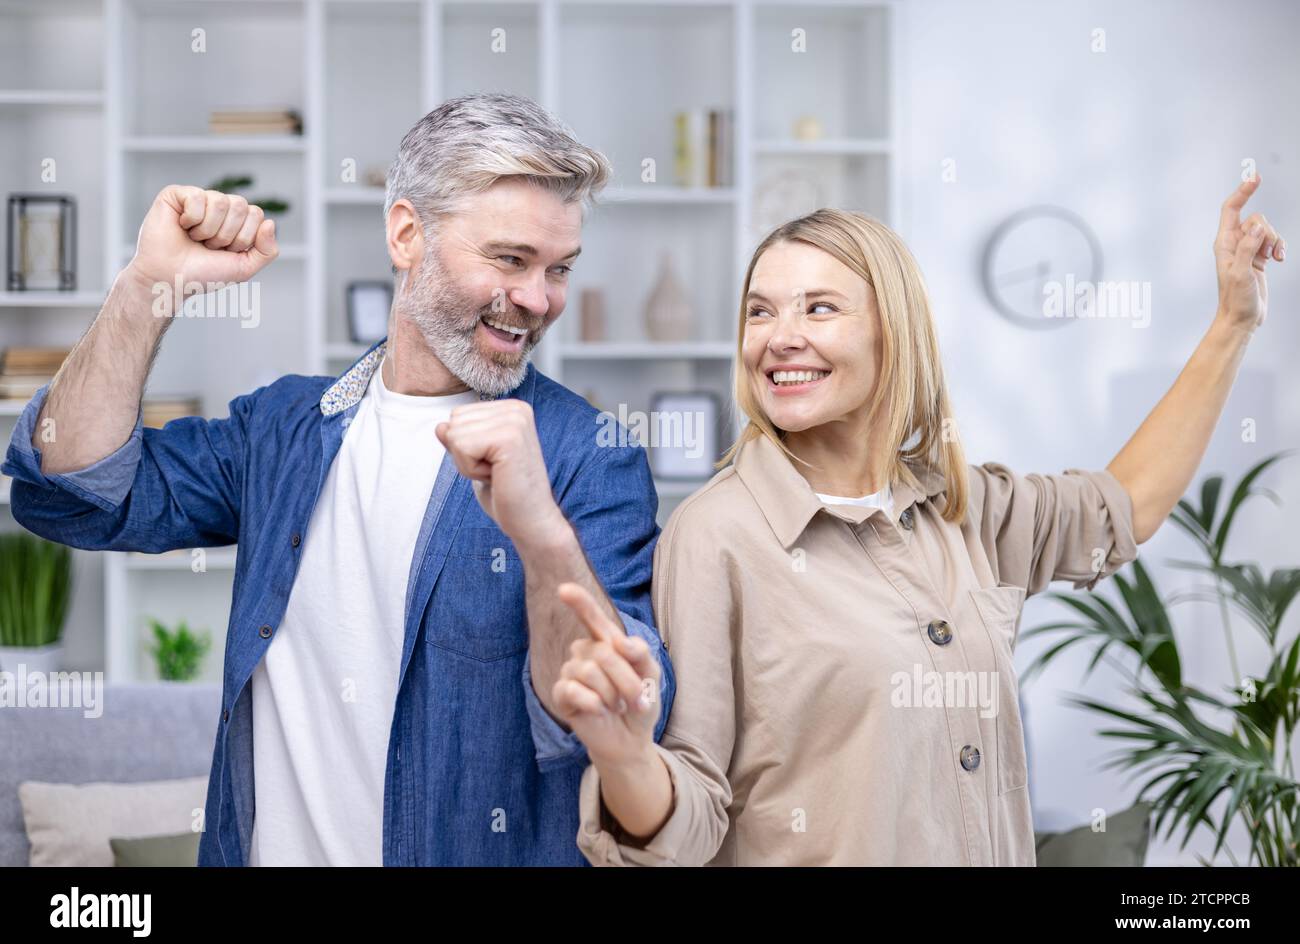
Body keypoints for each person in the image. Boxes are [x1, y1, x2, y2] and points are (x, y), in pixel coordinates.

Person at [2, 93, 674, 866]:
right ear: (406, 233)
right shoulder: (284, 430)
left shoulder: (589, 455)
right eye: (510, 259)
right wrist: (150, 283)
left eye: (559, 268)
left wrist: (541, 533)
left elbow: (608, 720)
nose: (537, 298)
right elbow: (73, 487)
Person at [550, 180, 1285, 865]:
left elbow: (1126, 504)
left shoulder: (962, 508)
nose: (779, 337)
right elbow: (692, 815)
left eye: (819, 307)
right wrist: (624, 757)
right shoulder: (716, 535)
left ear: (891, 334)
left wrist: (1232, 322)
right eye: (760, 310)